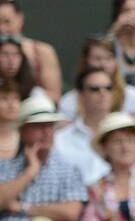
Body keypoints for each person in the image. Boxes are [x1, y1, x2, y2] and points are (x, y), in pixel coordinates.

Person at [0, 92, 87, 221]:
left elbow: (71, 212)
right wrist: (29, 173)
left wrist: (22, 207)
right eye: (38, 126)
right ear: (23, 131)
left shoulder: (69, 170)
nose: (46, 132)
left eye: (50, 126)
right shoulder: (5, 166)